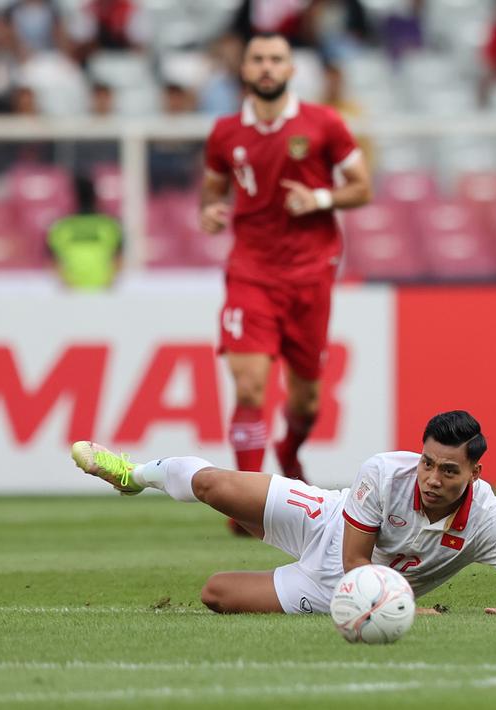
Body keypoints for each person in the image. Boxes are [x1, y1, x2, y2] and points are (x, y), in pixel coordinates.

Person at [70, 411, 496, 617]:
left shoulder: (489, 518)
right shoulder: (383, 473)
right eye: (427, 463)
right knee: (212, 484)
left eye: (448, 470)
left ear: (475, 472)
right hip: (328, 522)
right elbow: (356, 561)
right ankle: (132, 475)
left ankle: (262, 542)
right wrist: (405, 608)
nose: (432, 478)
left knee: (214, 592)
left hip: (332, 589)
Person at [199, 32, 372, 526]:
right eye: (258, 59)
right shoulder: (226, 132)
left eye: (277, 59)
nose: (268, 67)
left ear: (292, 69)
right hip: (251, 272)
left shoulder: (324, 124)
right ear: (245, 69)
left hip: (310, 275)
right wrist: (210, 211)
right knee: (250, 388)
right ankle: (248, 503)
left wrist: (318, 199)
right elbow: (213, 190)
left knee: (306, 399)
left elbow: (362, 188)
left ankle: (290, 453)